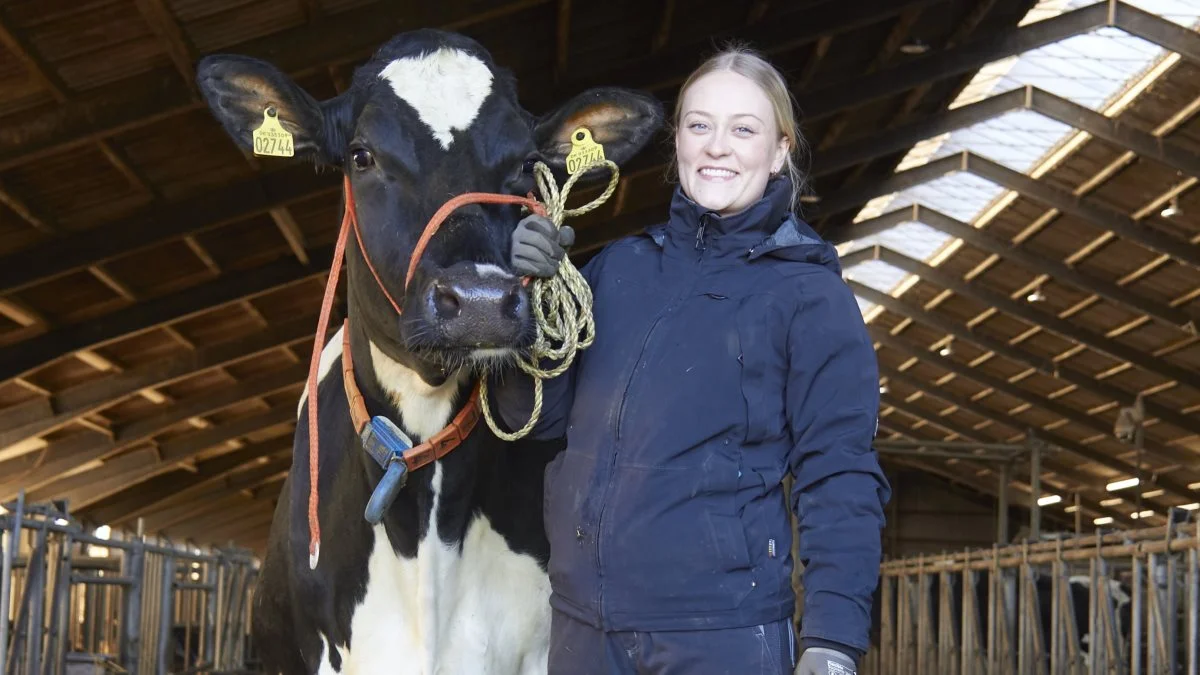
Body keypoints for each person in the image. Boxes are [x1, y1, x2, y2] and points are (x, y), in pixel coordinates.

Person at [492, 45, 891, 675]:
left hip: (717, 636)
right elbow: (534, 421)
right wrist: (522, 308)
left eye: (743, 129)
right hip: (581, 628)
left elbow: (838, 471)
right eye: (699, 125)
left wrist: (833, 642)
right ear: (676, 140)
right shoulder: (618, 270)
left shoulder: (808, 296)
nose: (717, 147)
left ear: (780, 150)